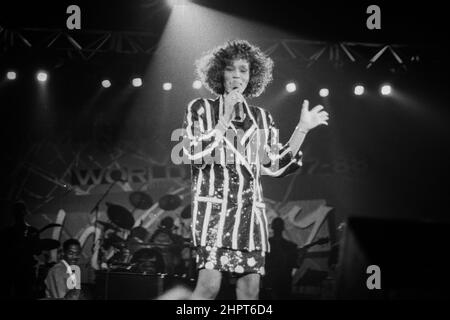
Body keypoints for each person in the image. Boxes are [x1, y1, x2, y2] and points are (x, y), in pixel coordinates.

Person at [180, 40, 329, 299]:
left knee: (250, 291)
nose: (237, 75)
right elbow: (192, 153)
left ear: (252, 76)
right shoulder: (200, 109)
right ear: (219, 73)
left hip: (249, 216)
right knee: (209, 287)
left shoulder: (261, 118)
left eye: (244, 70)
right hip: (214, 214)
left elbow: (274, 166)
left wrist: (302, 129)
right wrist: (223, 119)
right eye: (230, 69)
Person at [265, 217, 299, 299]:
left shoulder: (268, 244)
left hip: (280, 280)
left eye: (278, 226)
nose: (277, 228)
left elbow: (294, 264)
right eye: (277, 226)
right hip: (275, 280)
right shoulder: (268, 244)